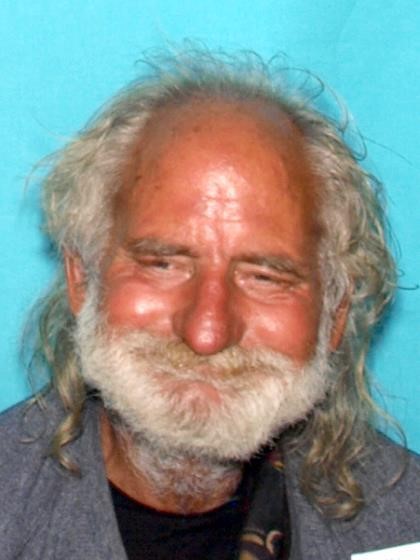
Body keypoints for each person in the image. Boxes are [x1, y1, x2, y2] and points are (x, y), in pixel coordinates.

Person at [1, 47, 419, 560]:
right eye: (162, 264)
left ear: (335, 314)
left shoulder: (406, 526)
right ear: (82, 279)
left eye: (265, 277)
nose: (206, 332)